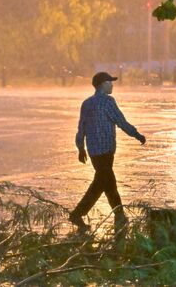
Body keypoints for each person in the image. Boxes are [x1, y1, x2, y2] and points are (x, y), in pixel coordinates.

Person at [69, 71, 146, 232]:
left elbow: (81, 127)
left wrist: (81, 148)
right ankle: (78, 214)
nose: (112, 85)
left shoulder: (87, 103)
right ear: (103, 84)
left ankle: (119, 215)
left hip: (94, 151)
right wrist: (137, 134)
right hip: (106, 150)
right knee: (101, 183)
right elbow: (121, 121)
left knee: (107, 182)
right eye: (110, 82)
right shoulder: (108, 102)